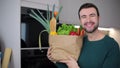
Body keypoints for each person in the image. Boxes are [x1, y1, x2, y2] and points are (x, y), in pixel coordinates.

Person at [47, 3, 120, 68]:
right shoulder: (79, 40)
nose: (88, 20)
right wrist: (54, 59)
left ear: (98, 18)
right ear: (80, 20)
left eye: (92, 15)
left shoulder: (111, 45)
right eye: (84, 16)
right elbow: (68, 64)